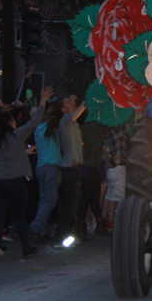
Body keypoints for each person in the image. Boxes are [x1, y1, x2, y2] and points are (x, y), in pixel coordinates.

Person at [0, 87, 52, 261]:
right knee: (19, 216)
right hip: (14, 181)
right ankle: (26, 247)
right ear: (10, 123)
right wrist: (42, 101)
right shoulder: (17, 135)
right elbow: (35, 121)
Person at [29, 99, 64, 239]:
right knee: (50, 200)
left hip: (40, 167)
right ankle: (35, 225)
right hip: (50, 168)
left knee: (43, 200)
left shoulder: (38, 128)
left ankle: (41, 231)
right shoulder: (52, 130)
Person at [56, 94, 87, 241]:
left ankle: (66, 235)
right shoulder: (66, 121)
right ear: (63, 109)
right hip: (69, 169)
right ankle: (63, 236)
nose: (72, 103)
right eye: (68, 102)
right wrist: (87, 98)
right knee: (70, 205)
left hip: (73, 168)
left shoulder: (73, 123)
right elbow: (80, 110)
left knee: (72, 203)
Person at [101, 124, 128, 233]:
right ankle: (110, 225)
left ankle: (103, 221)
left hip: (111, 166)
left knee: (109, 195)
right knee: (116, 196)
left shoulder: (108, 131)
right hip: (119, 165)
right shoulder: (119, 128)